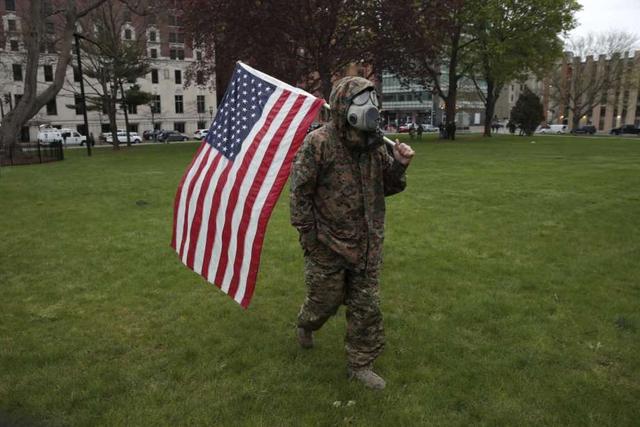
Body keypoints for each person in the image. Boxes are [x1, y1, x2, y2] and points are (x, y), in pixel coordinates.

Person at [290, 76, 415, 390]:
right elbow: (300, 193)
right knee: (324, 302)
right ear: (344, 106)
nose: (370, 107)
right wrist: (309, 237)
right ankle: (306, 323)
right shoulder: (319, 143)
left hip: (366, 245)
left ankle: (360, 364)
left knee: (366, 307)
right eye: (362, 100)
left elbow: (386, 186)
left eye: (373, 100)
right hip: (327, 244)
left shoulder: (374, 145)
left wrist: (399, 164)